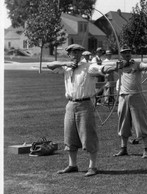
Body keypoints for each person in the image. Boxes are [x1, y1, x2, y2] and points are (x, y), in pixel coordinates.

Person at [46, 44, 122, 177]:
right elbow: (50, 65)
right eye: (72, 53)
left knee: (88, 136)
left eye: (78, 52)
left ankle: (92, 166)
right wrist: (67, 64)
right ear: (69, 54)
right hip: (70, 105)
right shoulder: (66, 67)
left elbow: (102, 68)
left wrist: (116, 66)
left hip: (85, 105)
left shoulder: (88, 67)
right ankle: (72, 165)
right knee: (69, 136)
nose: (75, 55)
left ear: (81, 54)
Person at [113, 47, 147, 158]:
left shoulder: (137, 64)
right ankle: (123, 148)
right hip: (123, 97)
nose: (127, 54)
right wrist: (118, 65)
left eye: (128, 52)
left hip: (136, 96)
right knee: (123, 123)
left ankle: (146, 149)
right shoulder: (119, 65)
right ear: (121, 55)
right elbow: (105, 67)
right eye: (124, 53)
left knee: (141, 123)